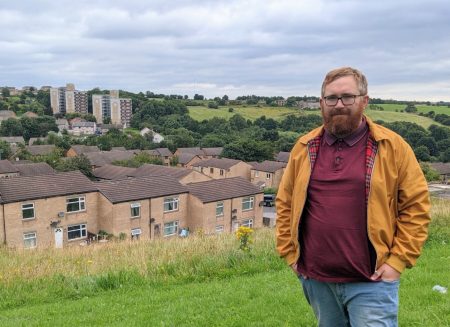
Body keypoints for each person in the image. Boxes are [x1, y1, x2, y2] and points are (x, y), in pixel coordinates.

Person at [276, 67, 431, 326]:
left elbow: (416, 207)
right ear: (321, 102)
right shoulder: (304, 147)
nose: (339, 105)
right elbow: (285, 203)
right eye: (331, 98)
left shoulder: (393, 147)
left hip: (371, 282)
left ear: (364, 100)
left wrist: (397, 261)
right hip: (317, 280)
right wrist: (290, 254)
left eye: (348, 97)